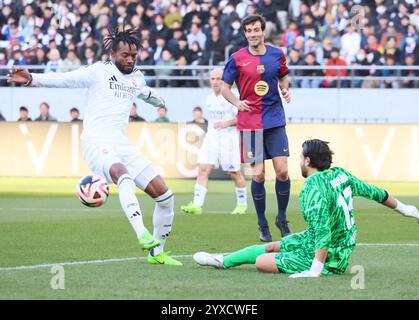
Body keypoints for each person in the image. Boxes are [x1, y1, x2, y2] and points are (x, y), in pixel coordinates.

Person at [7, 27, 182, 266]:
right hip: (96, 140)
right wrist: (32, 78)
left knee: (166, 197)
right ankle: (142, 233)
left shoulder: (136, 77)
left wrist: (159, 101)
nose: (129, 59)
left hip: (121, 143)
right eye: (124, 55)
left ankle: (157, 253)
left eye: (133, 55)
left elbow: (144, 92)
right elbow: (66, 79)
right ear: (112, 54)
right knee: (123, 175)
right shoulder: (99, 71)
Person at [193, 139, 419, 277]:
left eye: (301, 157)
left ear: (308, 161)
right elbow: (379, 194)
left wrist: (315, 270)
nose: (299, 160)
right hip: (337, 244)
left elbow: (324, 233)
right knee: (272, 246)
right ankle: (222, 260)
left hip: (331, 255)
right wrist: (407, 210)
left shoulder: (312, 188)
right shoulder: (341, 174)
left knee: (262, 263)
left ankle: (312, 264)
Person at [221, 15, 292, 242]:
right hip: (250, 124)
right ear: (245, 34)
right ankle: (262, 223)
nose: (252, 34)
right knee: (258, 175)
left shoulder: (276, 55)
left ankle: (281, 218)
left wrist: (285, 89)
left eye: (256, 30)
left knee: (282, 171)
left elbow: (284, 76)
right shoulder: (237, 58)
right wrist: (236, 102)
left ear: (263, 31)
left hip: (274, 119)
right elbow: (225, 87)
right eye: (248, 31)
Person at [181, 69, 248, 215]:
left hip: (228, 140)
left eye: (218, 78)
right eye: (213, 79)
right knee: (203, 169)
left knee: (234, 173)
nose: (215, 82)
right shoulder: (209, 98)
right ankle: (197, 205)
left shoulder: (233, 97)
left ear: (224, 80)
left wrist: (226, 123)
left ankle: (242, 204)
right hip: (211, 138)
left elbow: (243, 118)